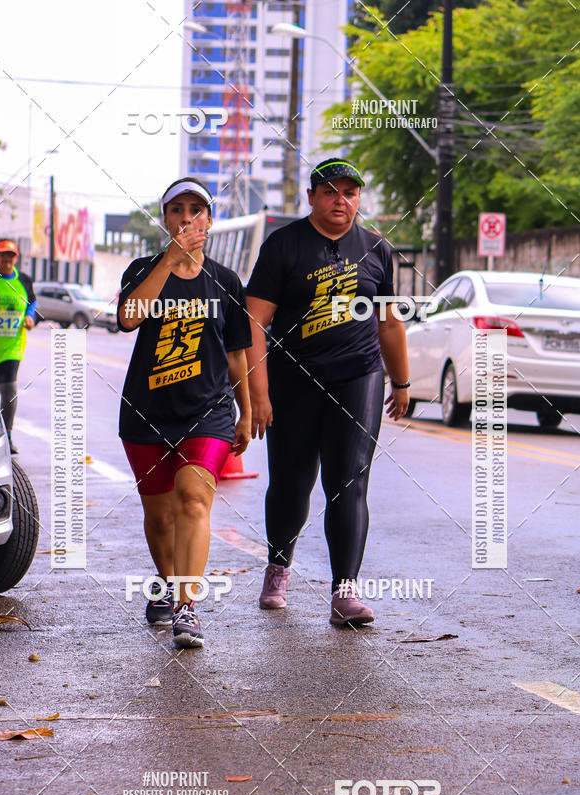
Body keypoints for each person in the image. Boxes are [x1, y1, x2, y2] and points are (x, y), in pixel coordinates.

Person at [246, 158, 410, 627]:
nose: (342, 201)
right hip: (292, 378)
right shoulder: (284, 245)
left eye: (350, 193)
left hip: (358, 377)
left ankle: (345, 591)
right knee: (292, 480)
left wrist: (401, 382)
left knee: (349, 482)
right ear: (313, 196)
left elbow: (389, 322)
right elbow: (255, 320)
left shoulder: (376, 248)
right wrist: (258, 391)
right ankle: (279, 567)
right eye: (332, 192)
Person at [117, 177, 252, 648]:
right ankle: (168, 582)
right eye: (178, 209)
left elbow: (237, 353)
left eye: (197, 209)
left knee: (192, 497)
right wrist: (170, 260)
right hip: (146, 414)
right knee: (160, 518)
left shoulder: (227, 282)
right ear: (166, 219)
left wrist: (246, 411)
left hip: (209, 412)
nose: (187, 217)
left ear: (209, 221)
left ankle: (186, 606)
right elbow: (130, 316)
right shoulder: (141, 270)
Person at [0, 240, 36, 454]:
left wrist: (31, 318)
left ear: (17, 258)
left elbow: (32, 302)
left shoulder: (24, 280)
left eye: (11, 255)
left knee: (9, 388)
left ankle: (8, 436)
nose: (7, 259)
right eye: (3, 255)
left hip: (12, 346)